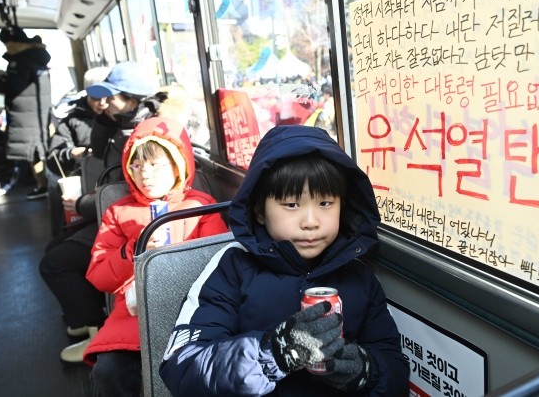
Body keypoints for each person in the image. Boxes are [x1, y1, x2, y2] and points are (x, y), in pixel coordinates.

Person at [159, 125, 409, 396]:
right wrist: (273, 354)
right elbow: (181, 366)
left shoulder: (359, 277)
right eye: (291, 204)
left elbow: (394, 368)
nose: (311, 222)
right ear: (260, 211)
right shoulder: (232, 268)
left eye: (325, 203)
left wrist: (365, 370)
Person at [83, 115, 228, 397]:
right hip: (135, 313)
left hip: (195, 306)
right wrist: (134, 250)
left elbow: (220, 260)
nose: (144, 175)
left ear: (177, 165)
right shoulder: (119, 211)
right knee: (108, 372)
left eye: (154, 165)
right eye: (136, 166)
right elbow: (98, 276)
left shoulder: (200, 206)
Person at [39, 61, 161, 363]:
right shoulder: (118, 125)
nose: (104, 102)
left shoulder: (141, 135)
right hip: (114, 211)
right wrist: (106, 120)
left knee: (56, 263)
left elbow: (128, 188)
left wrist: (81, 204)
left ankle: (96, 330)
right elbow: (97, 155)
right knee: (56, 248)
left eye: (112, 97)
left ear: (133, 100)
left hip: (133, 217)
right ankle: (83, 318)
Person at [45, 67, 111, 236]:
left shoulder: (120, 120)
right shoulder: (72, 120)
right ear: (87, 94)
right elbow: (54, 158)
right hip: (85, 185)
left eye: (108, 97)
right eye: (96, 97)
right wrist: (71, 154)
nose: (103, 103)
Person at [0, 26, 52, 200]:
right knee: (40, 149)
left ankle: (42, 185)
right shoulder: (38, 58)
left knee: (34, 153)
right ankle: (45, 184)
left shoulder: (19, 62)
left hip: (26, 113)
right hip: (39, 111)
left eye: (8, 44)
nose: (7, 48)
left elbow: (15, 87)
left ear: (16, 43)